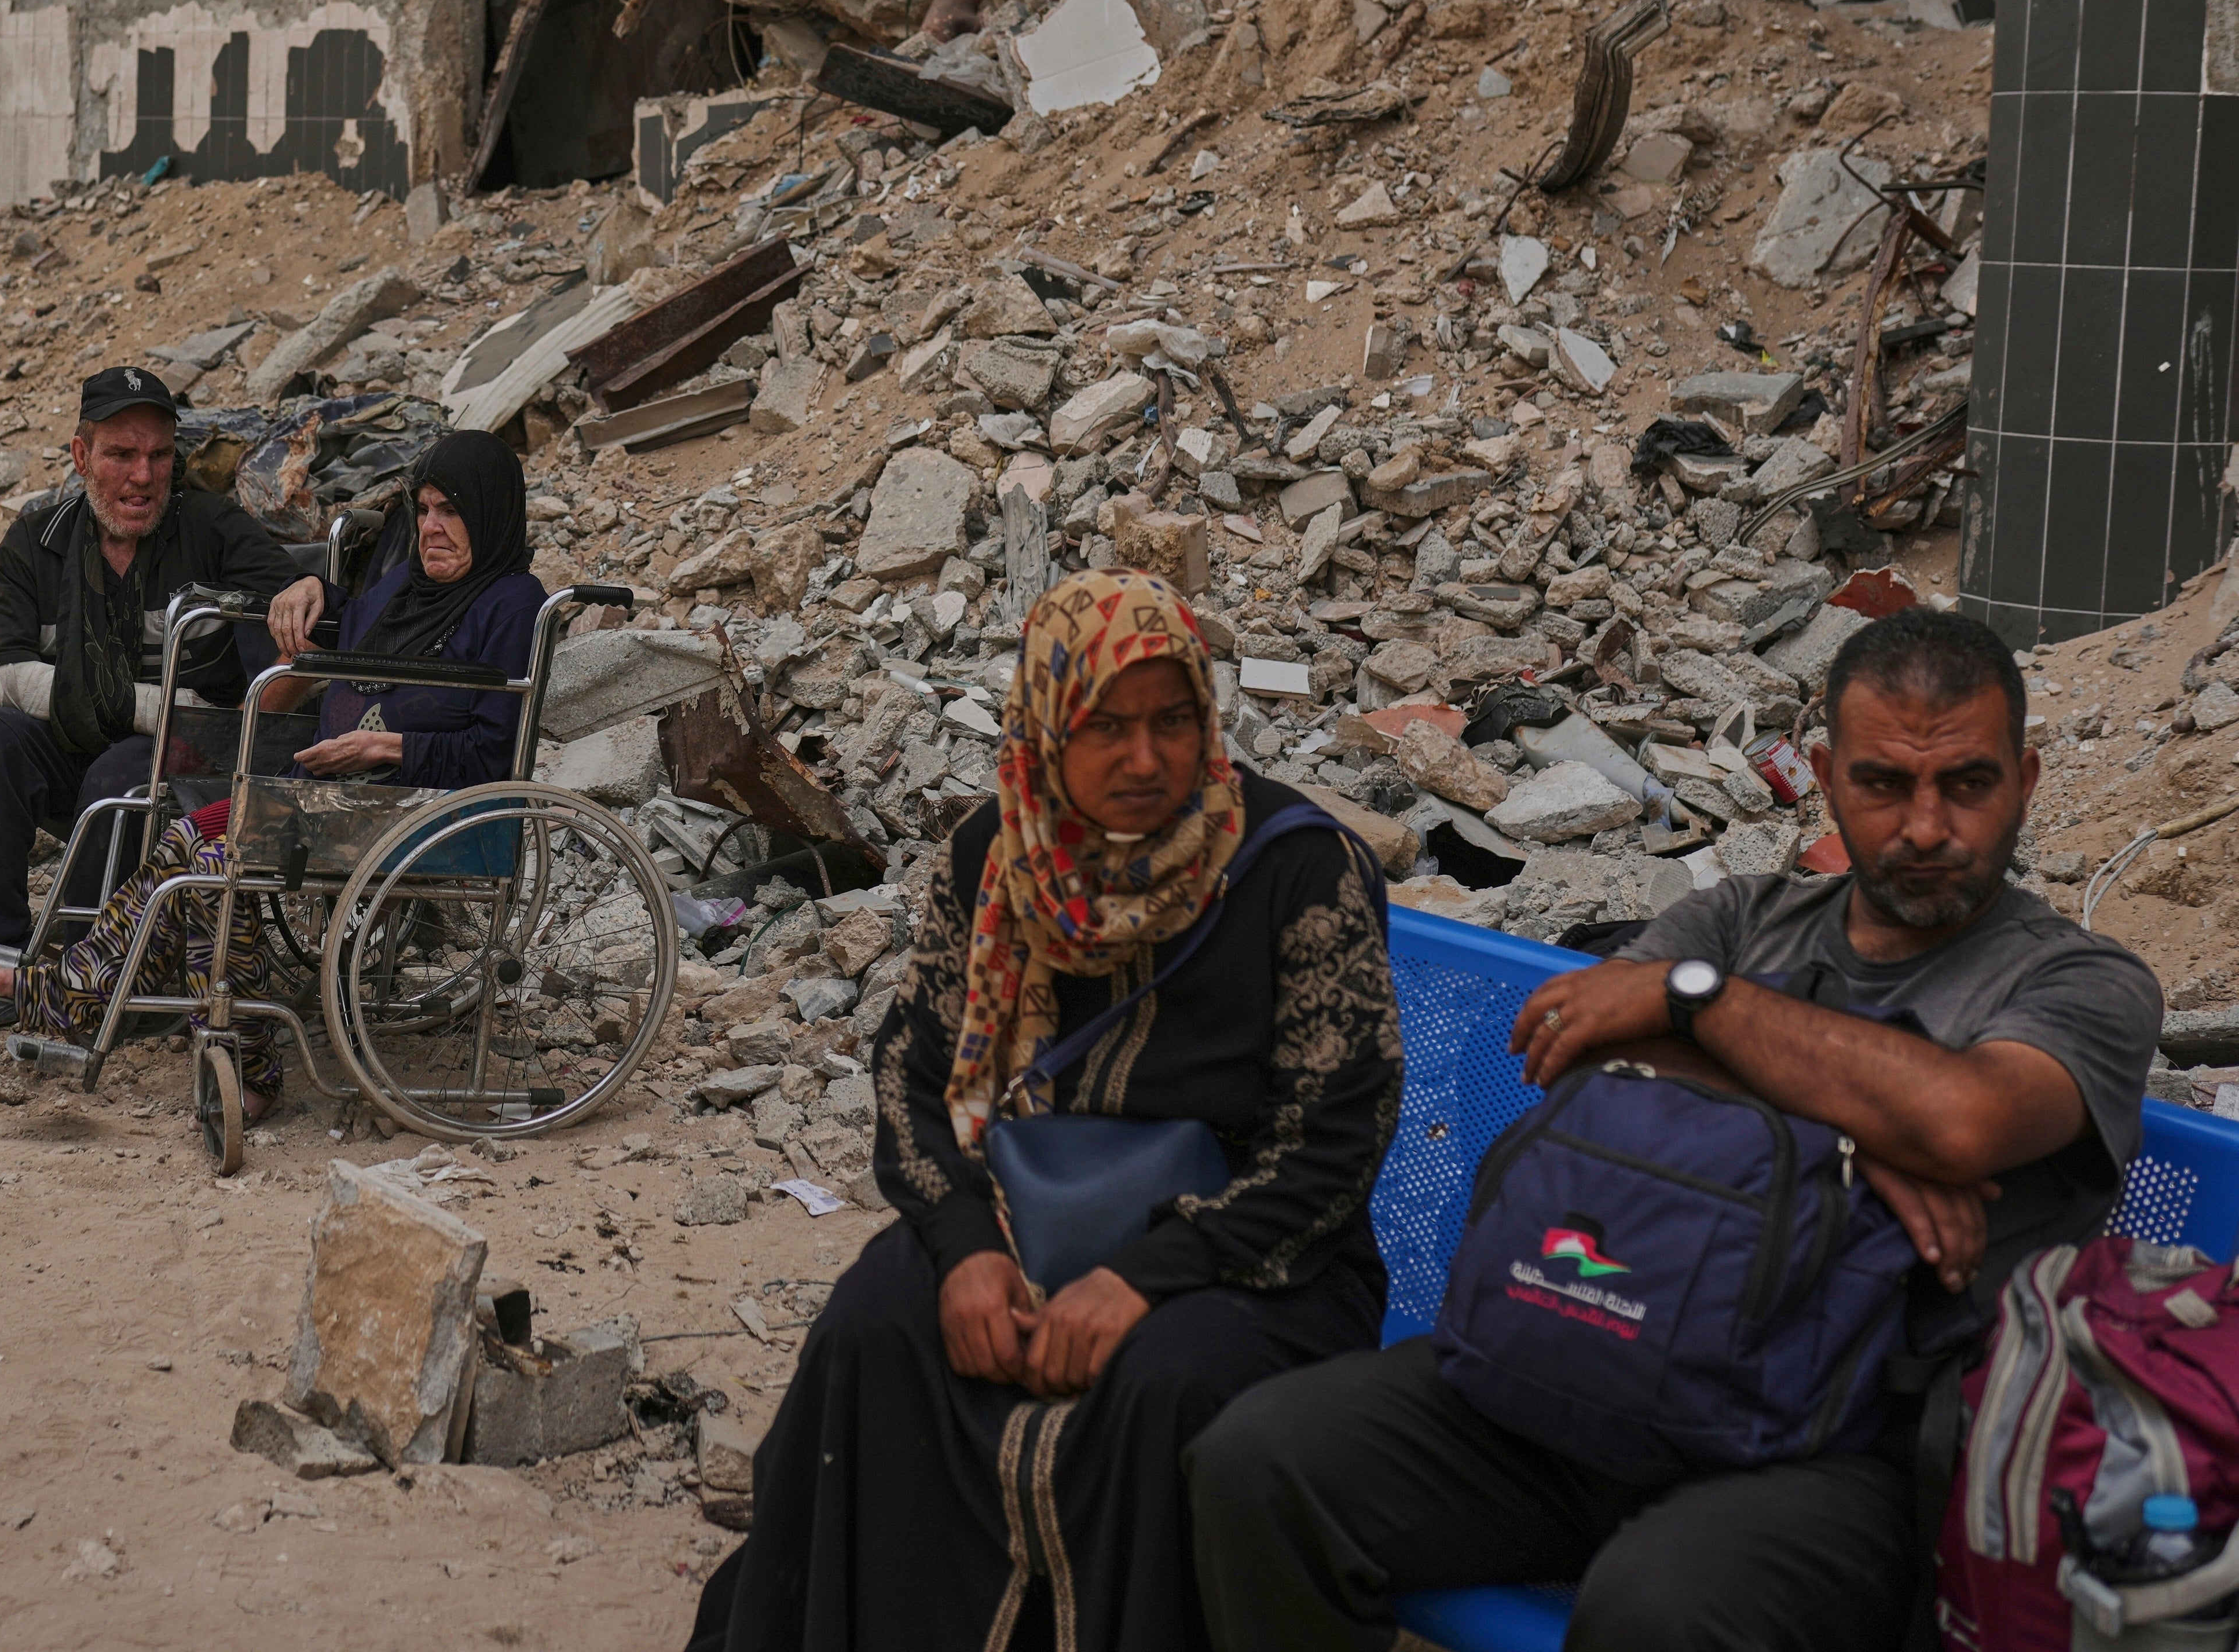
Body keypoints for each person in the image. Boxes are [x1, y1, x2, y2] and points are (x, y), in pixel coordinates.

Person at [1188, 607, 2163, 1652]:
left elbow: (1964, 1120)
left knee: (1659, 1612)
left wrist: (1696, 1007)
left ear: (2027, 780)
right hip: (1589, 1355)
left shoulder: (2083, 983)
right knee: (1261, 1461)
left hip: (1834, 1450)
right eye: (1884, 784)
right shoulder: (1741, 917)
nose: (1926, 827)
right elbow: (1578, 1047)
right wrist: (1862, 1136)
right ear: (1825, 777)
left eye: (1966, 783)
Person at [688, 572, 1403, 1652]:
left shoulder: (1299, 869)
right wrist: (966, 1245)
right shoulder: (995, 855)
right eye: (1105, 727)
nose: (1146, 759)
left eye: (1173, 722)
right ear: (1045, 727)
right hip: (1024, 1221)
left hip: (1257, 1259)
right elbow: (913, 1073)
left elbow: (1336, 1140)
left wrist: (1146, 1277)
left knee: (1162, 1382)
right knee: (876, 1322)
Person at [9, 428, 548, 1111]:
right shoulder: (410, 586)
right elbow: (352, 620)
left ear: (490, 513)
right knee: (188, 841)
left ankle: (229, 1057)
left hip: (427, 813)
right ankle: (97, 1000)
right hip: (345, 798)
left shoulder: (511, 601)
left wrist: (386, 748)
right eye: (424, 510)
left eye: (451, 511)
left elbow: (494, 751)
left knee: (213, 858)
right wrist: (310, 587)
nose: (431, 528)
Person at [0, 366, 320, 1041]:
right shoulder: (38, 540)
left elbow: (303, 615)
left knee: (123, 772)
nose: (143, 476)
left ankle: (85, 979)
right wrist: (162, 704)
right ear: (82, 456)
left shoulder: (212, 528)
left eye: (159, 455)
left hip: (178, 760)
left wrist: (309, 587)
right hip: (85, 742)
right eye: (121, 455)